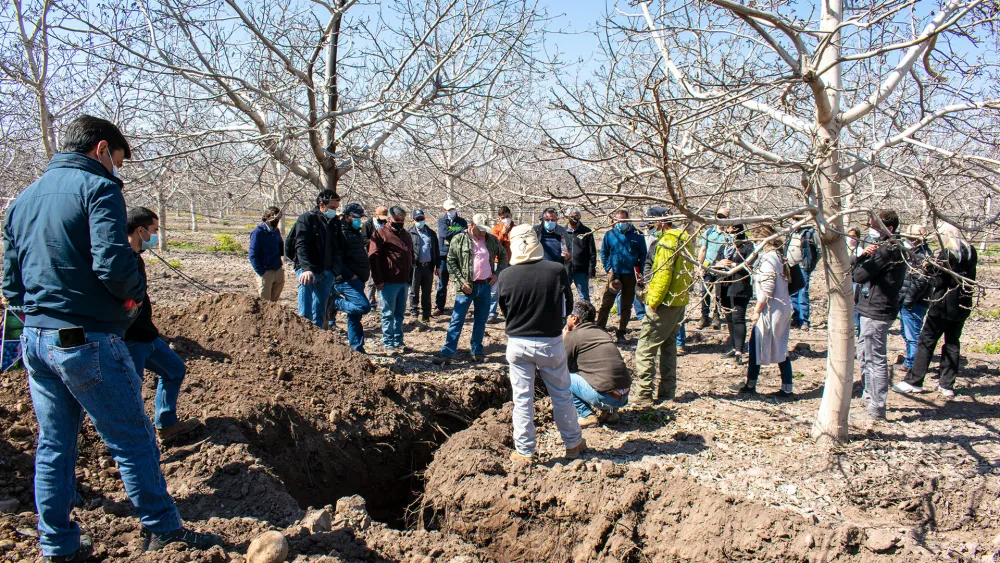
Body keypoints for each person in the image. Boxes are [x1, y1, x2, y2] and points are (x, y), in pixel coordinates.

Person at [1, 115, 222, 560]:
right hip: (86, 338)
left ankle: (57, 544)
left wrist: (38, 314)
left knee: (54, 444)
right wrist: (132, 299)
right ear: (101, 149)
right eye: (117, 160)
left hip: (36, 339)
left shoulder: (23, 199)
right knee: (133, 438)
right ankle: (162, 528)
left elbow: (10, 281)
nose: (116, 169)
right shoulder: (98, 188)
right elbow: (113, 265)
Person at [498, 225, 584, 463]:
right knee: (561, 394)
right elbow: (568, 304)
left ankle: (525, 451)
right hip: (550, 341)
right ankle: (573, 443)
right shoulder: (556, 270)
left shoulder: (505, 275)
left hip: (518, 342)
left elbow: (505, 309)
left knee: (522, 399)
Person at [125, 207, 203, 442]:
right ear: (140, 230)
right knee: (131, 392)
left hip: (147, 335)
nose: (156, 235)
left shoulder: (136, 258)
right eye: (154, 230)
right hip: (130, 339)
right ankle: (134, 442)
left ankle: (166, 424)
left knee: (175, 369)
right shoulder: (121, 261)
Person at [893, 223, 978, 398]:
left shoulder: (946, 255)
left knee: (926, 342)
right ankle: (946, 385)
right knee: (952, 343)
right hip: (962, 306)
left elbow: (939, 282)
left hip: (942, 306)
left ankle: (914, 381)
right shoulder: (970, 253)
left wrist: (929, 269)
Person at [633, 207, 694, 406]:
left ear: (661, 221)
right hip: (678, 301)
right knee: (668, 347)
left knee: (645, 349)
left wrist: (653, 302)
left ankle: (644, 394)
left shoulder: (667, 241)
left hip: (664, 303)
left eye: (652, 223)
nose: (651, 227)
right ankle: (668, 391)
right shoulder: (684, 237)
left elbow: (663, 275)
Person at [853, 210, 906, 421]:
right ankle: (869, 398)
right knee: (865, 354)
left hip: (877, 309)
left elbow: (859, 275)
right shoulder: (892, 247)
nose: (871, 231)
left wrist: (864, 257)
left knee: (874, 359)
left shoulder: (888, 250)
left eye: (875, 227)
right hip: (874, 307)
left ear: (889, 229)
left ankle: (876, 407)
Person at [433, 214, 508, 364]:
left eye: (485, 230)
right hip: (466, 287)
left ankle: (477, 351)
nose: (483, 232)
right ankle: (447, 352)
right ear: (472, 226)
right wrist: (461, 282)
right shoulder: (459, 239)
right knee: (457, 319)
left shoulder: (491, 240)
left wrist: (496, 274)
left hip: (485, 285)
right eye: (480, 229)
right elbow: (451, 261)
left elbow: (503, 255)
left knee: (481, 320)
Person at [739, 224, 795, 397]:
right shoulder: (779, 255)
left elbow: (767, 288)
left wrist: (757, 310)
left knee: (760, 345)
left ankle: (752, 385)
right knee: (778, 346)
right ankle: (781, 385)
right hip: (781, 306)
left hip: (772, 309)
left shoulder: (769, 258)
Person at [563, 301, 631, 428]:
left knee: (563, 378)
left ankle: (586, 415)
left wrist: (564, 338)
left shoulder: (574, 335)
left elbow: (561, 365)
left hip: (606, 397)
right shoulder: (602, 333)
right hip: (625, 395)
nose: (567, 318)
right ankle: (610, 413)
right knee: (599, 372)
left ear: (575, 318)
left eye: (569, 316)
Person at [597, 209, 648, 343]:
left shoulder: (637, 234)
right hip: (614, 274)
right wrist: (608, 268)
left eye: (623, 220)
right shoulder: (610, 234)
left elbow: (643, 254)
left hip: (630, 274)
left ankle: (621, 331)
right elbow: (604, 252)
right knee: (607, 302)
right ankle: (600, 328)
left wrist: (641, 272)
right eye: (618, 220)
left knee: (626, 304)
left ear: (628, 220)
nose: (621, 223)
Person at [328, 203, 373, 352]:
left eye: (360, 217)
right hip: (346, 279)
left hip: (358, 279)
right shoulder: (340, 232)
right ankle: (335, 302)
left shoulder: (355, 232)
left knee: (355, 316)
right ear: (347, 217)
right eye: (355, 217)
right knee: (363, 307)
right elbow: (336, 258)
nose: (358, 220)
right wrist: (350, 275)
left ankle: (356, 347)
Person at [369, 206, 414, 355]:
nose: (399, 222)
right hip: (388, 282)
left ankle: (398, 341)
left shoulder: (406, 235)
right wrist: (378, 280)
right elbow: (373, 258)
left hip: (403, 281)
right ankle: (388, 343)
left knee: (400, 314)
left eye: (402, 220)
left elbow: (411, 254)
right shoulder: (380, 233)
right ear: (389, 219)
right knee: (388, 313)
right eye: (397, 220)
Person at [294, 190, 339, 328]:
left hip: (326, 272)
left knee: (319, 313)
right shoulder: (307, 218)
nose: (334, 211)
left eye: (336, 208)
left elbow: (338, 247)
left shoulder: (334, 222)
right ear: (321, 205)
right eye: (332, 207)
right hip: (308, 271)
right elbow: (300, 245)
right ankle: (303, 336)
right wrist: (306, 269)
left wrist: (333, 271)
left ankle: (317, 337)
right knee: (305, 314)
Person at [713, 224, 754, 364]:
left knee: (738, 318)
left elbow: (750, 266)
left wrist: (734, 266)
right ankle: (733, 346)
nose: (728, 232)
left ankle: (739, 350)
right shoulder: (724, 247)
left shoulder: (748, 247)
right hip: (724, 286)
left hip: (740, 286)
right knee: (729, 318)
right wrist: (720, 263)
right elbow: (714, 264)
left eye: (731, 230)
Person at [895, 224, 933, 371]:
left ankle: (912, 365)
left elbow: (920, 282)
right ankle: (910, 361)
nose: (908, 240)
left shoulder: (923, 256)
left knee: (912, 335)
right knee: (906, 333)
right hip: (907, 300)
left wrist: (908, 301)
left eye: (911, 238)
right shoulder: (913, 253)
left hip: (914, 303)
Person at [697, 208, 730, 330]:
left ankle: (716, 315)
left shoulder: (729, 235)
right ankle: (704, 317)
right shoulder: (709, 232)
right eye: (719, 217)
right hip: (708, 266)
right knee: (705, 292)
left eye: (723, 217)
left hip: (721, 268)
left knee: (719, 293)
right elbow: (703, 249)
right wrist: (700, 266)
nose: (721, 220)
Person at [435, 199, 469, 316]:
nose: (451, 211)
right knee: (442, 283)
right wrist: (457, 229)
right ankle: (439, 307)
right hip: (443, 256)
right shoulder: (441, 221)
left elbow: (464, 232)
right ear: (445, 210)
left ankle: (461, 307)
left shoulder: (462, 221)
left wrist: (452, 229)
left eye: (453, 209)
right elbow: (444, 233)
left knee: (460, 282)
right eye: (449, 209)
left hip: (458, 255)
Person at [786, 218, 820, 331]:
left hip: (802, 267)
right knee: (793, 293)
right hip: (791, 266)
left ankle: (804, 320)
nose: (794, 222)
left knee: (803, 293)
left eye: (797, 219)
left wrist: (811, 264)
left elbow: (819, 250)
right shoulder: (791, 232)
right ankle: (796, 319)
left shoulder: (810, 232)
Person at [408, 209, 439, 325]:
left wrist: (438, 266)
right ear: (413, 220)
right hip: (415, 267)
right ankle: (414, 314)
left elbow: (436, 250)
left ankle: (426, 315)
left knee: (426, 292)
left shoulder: (431, 233)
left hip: (428, 267)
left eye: (422, 219)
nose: (420, 221)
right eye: (418, 219)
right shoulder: (409, 233)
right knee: (414, 291)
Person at [249, 206, 285, 302]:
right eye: (275, 218)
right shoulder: (257, 232)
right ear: (268, 217)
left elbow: (280, 247)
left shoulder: (276, 231)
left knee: (274, 304)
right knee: (265, 304)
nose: (277, 220)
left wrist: (280, 267)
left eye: (279, 217)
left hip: (278, 270)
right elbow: (252, 255)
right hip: (266, 272)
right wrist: (261, 272)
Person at [488, 206, 515, 322]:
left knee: (511, 289)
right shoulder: (496, 229)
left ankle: (511, 312)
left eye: (507, 216)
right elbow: (494, 245)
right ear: (499, 218)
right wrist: (503, 233)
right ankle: (491, 313)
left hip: (512, 261)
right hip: (497, 262)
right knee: (494, 290)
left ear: (511, 215)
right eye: (503, 217)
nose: (505, 219)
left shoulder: (516, 229)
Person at [564, 208, 597, 303]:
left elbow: (592, 252)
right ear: (567, 217)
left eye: (577, 216)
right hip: (566, 269)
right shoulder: (562, 232)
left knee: (584, 296)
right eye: (572, 216)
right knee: (564, 295)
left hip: (581, 270)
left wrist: (591, 270)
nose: (575, 218)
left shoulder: (586, 232)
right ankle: (566, 312)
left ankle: (586, 312)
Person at [362, 206, 389, 310]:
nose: (382, 219)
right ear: (375, 214)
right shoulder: (367, 225)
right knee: (371, 281)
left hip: (384, 256)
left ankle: (381, 304)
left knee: (383, 281)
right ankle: (371, 304)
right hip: (372, 256)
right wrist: (376, 242)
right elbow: (364, 239)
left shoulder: (386, 224)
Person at [847, 226, 863, 337]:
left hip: (855, 281)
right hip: (844, 280)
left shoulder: (860, 250)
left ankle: (857, 327)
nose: (851, 239)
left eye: (853, 236)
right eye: (849, 236)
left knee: (855, 304)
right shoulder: (843, 249)